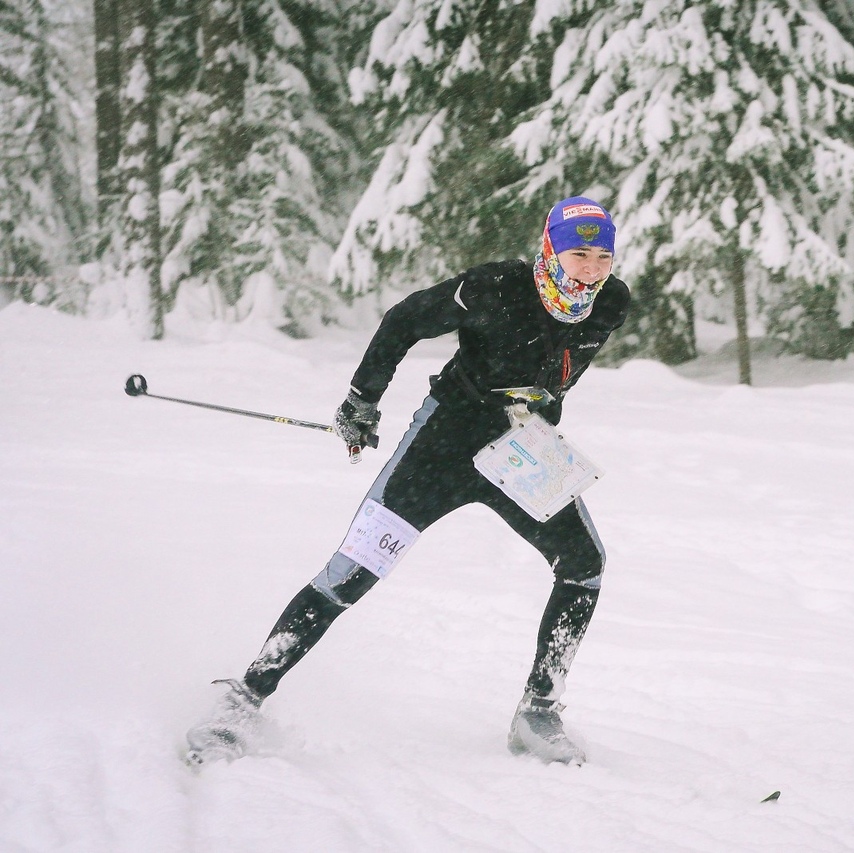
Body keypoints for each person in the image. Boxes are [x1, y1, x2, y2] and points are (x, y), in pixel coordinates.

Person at [185, 197, 629, 767]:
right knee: (352, 572)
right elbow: (404, 321)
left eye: (602, 256)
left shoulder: (610, 303)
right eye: (578, 253)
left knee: (583, 564)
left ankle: (538, 711)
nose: (591, 268)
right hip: (442, 444)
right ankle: (244, 700)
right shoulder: (494, 286)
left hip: (520, 451)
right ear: (549, 248)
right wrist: (362, 401)